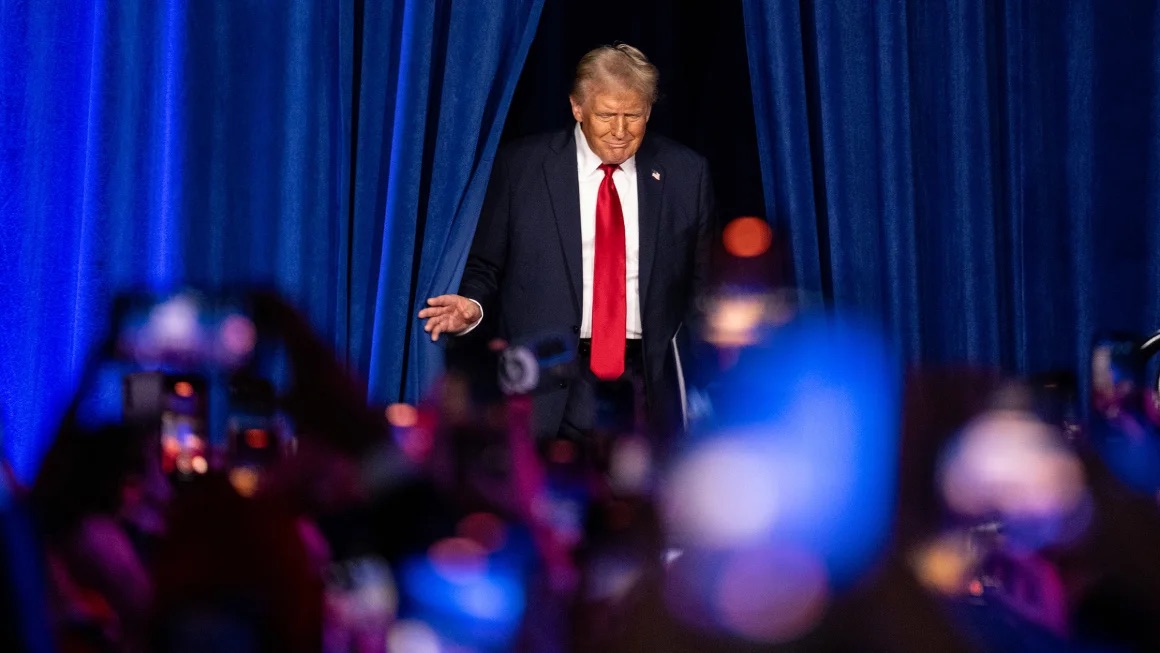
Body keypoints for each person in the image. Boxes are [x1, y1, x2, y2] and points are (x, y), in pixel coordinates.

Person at [419, 44, 714, 445]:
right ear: (577, 107)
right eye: (608, 115)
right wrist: (473, 308)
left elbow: (702, 286)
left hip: (646, 384)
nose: (621, 130)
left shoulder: (686, 173)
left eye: (635, 115)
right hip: (550, 378)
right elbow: (486, 265)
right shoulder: (520, 168)